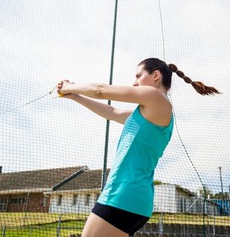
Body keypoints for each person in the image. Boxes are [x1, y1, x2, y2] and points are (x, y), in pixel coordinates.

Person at [56, 58, 219, 237]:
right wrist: (74, 96)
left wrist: (69, 86)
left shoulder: (157, 98)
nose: (134, 82)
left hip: (123, 196)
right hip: (131, 198)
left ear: (156, 75)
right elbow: (112, 112)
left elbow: (100, 90)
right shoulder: (147, 113)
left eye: (139, 76)